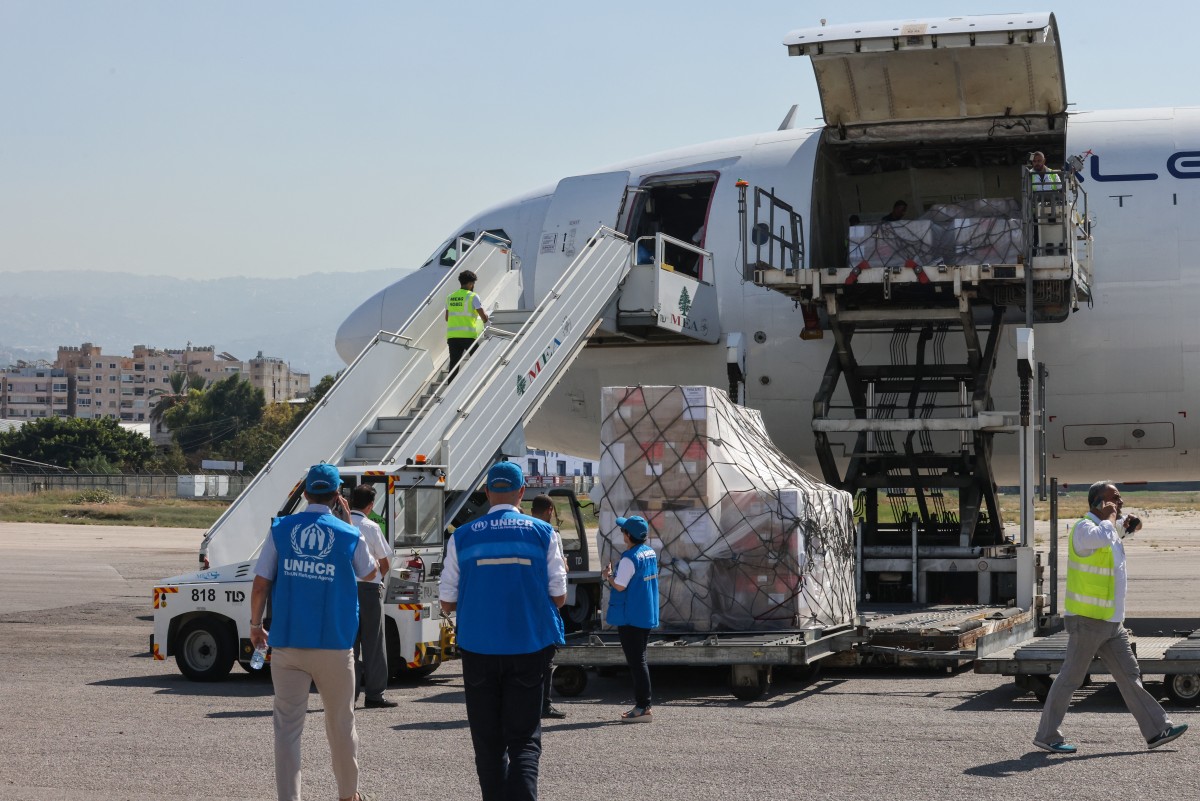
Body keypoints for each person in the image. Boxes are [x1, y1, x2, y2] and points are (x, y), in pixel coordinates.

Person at [249, 463, 379, 801]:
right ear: (338, 496)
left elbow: (261, 583)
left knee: (287, 729)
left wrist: (255, 625)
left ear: (305, 493)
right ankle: (348, 795)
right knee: (341, 723)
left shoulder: (281, 529)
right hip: (334, 645)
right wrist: (349, 525)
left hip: (289, 643)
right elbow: (370, 574)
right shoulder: (349, 534)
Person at [439, 462, 567, 801]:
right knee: (524, 739)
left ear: (486, 492)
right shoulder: (543, 533)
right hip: (527, 646)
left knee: (488, 742)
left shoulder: (462, 536)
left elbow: (447, 601)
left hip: (478, 649)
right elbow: (559, 595)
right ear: (522, 492)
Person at [1033, 481, 1189, 754]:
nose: (1121, 502)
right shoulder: (1084, 529)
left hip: (1111, 623)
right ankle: (1047, 735)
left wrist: (1130, 525)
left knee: (1130, 676)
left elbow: (1120, 532)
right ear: (1098, 502)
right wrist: (1109, 519)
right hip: (1088, 621)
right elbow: (1102, 536)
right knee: (1070, 678)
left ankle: (1156, 730)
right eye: (1115, 499)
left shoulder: (1106, 528)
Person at [603, 515, 660, 723]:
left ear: (629, 535)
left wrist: (607, 576)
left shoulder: (629, 558)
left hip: (631, 616)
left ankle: (643, 706)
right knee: (640, 659)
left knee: (637, 662)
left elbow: (619, 585)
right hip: (646, 612)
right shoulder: (650, 552)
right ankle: (644, 704)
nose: (622, 534)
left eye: (623, 531)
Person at [350, 483, 396, 709]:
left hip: (346, 589)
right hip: (369, 588)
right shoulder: (370, 527)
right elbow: (385, 562)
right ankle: (375, 695)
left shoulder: (341, 525)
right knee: (374, 643)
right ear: (370, 505)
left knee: (350, 644)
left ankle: (348, 695)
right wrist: (378, 578)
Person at [529, 494, 568, 719]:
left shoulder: (523, 529)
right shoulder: (550, 534)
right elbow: (559, 571)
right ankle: (544, 704)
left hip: (524, 601)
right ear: (550, 511)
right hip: (545, 605)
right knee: (546, 660)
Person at [445, 269, 489, 379]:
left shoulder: (450, 297)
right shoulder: (473, 296)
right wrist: (485, 318)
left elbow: (447, 318)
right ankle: (475, 382)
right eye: (473, 283)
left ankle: (450, 391)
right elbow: (483, 317)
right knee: (477, 360)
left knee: (454, 364)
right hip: (468, 336)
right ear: (470, 283)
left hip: (453, 337)